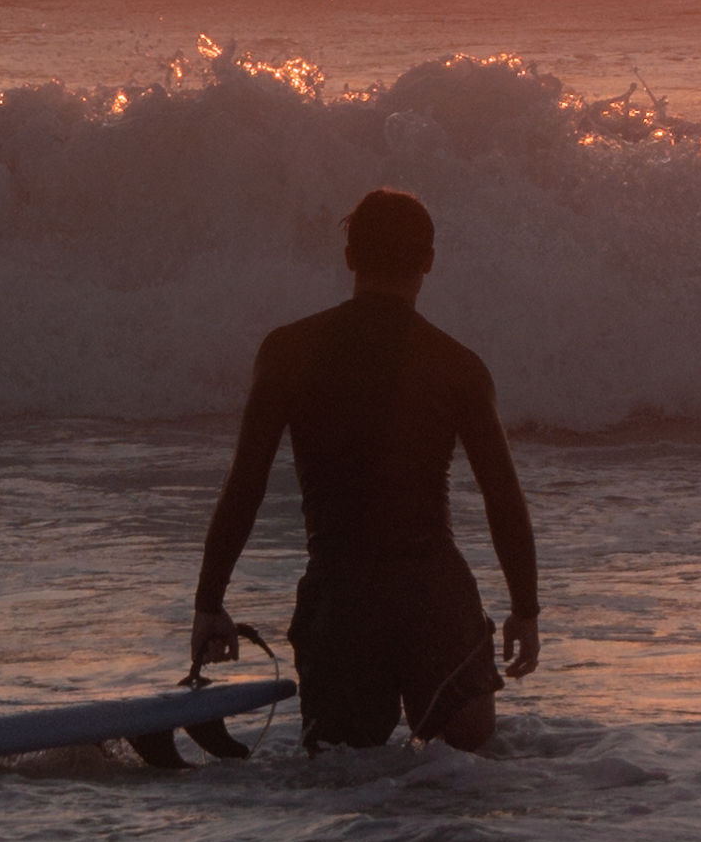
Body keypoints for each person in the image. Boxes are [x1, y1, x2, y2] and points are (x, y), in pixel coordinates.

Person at [190, 187, 540, 752]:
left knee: (343, 773)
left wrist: (209, 602)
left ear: (350, 256)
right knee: (466, 757)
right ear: (429, 261)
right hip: (434, 594)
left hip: (343, 595)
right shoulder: (458, 366)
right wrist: (525, 608)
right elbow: (503, 498)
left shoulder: (288, 351)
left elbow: (245, 486)